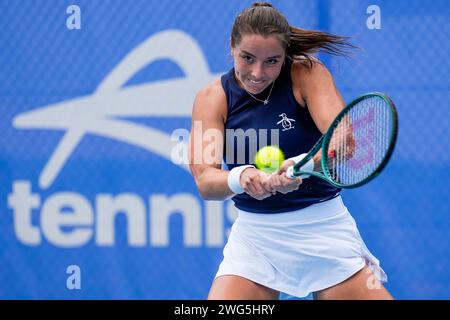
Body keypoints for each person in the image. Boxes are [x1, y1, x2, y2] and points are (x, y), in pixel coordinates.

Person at [189, 2, 393, 300]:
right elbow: (205, 182)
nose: (257, 73)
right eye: (247, 58)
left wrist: (302, 164)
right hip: (256, 241)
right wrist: (244, 177)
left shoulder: (307, 73)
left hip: (323, 230)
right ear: (231, 46)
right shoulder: (212, 99)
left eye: (271, 61)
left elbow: (343, 141)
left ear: (285, 55)